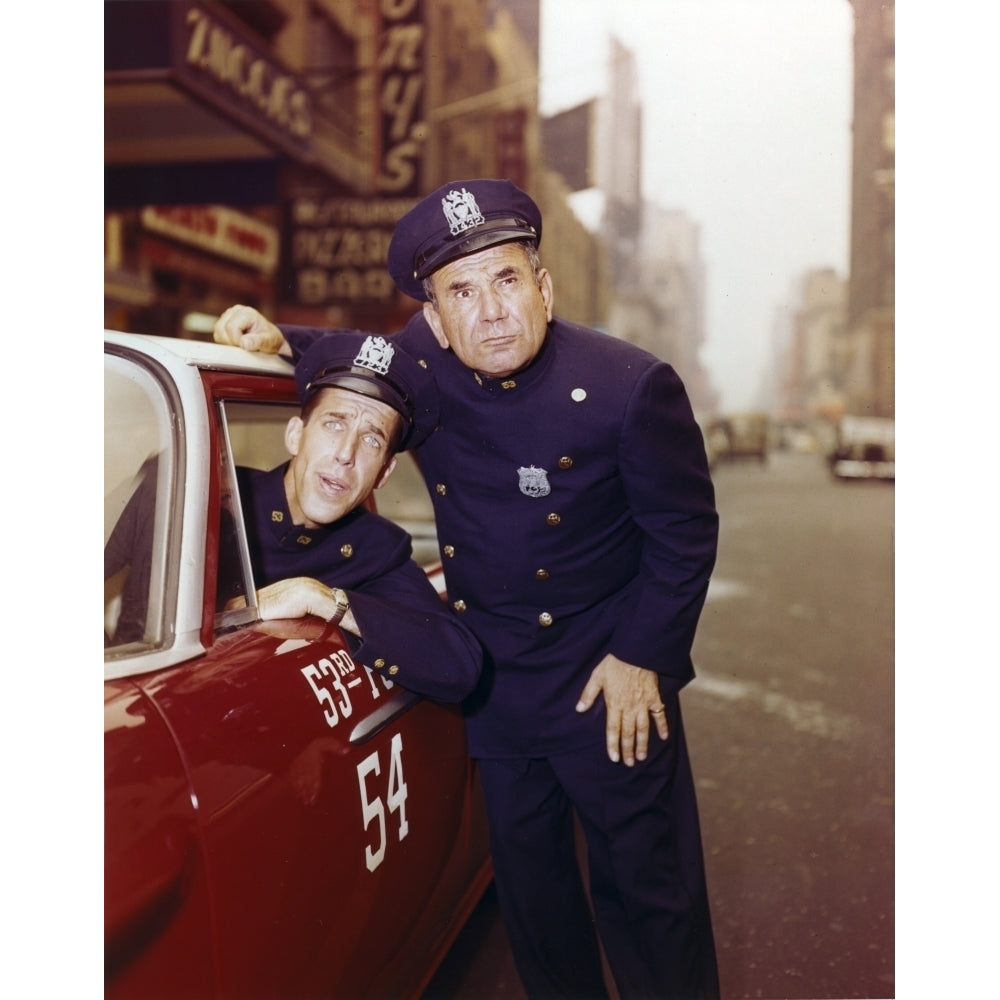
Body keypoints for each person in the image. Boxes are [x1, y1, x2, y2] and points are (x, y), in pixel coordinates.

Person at [214, 178, 720, 999]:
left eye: (507, 280)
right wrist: (278, 338)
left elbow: (684, 530)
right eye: (461, 292)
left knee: (649, 899)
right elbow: (351, 367)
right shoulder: (427, 370)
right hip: (502, 690)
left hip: (608, 680)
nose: (489, 312)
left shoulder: (630, 385)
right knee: (538, 908)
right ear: (435, 323)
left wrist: (643, 655)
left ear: (544, 286)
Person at [227, 329, 483, 704]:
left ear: (383, 473)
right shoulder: (216, 502)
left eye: (371, 440)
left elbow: (460, 665)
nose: (346, 454)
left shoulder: (376, 550)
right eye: (334, 424)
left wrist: (324, 600)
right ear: (296, 435)